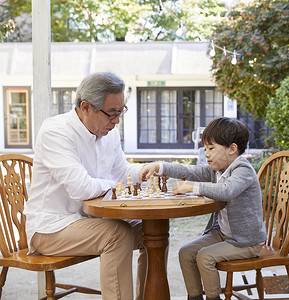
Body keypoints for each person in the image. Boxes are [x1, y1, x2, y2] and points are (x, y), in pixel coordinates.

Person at [23, 72, 147, 300]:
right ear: (86, 107)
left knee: (152, 229)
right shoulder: (56, 132)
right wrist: (115, 185)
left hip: (88, 222)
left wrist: (146, 171)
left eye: (121, 112)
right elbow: (81, 188)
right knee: (116, 234)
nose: (117, 120)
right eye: (112, 113)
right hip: (50, 228)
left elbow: (122, 172)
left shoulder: (109, 133)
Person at [138, 117, 266, 300]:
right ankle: (195, 297)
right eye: (205, 148)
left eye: (211, 148)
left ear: (232, 149)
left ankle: (213, 298)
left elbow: (226, 191)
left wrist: (191, 187)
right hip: (224, 234)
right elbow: (190, 172)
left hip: (247, 241)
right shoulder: (216, 170)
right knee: (186, 253)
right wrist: (159, 166)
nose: (206, 154)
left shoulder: (243, 169)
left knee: (205, 257)